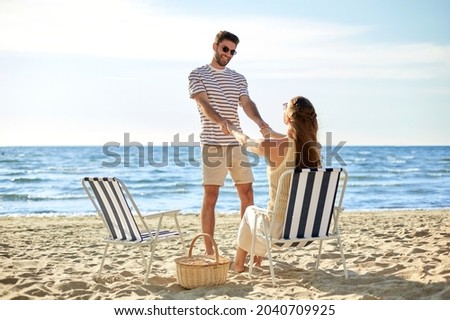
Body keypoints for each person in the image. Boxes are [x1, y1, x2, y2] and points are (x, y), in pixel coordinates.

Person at [188, 30, 269, 255]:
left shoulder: (238, 78)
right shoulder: (198, 74)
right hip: (212, 144)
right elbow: (204, 103)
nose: (229, 54)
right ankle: (209, 252)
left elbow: (246, 103)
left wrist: (260, 122)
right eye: (225, 49)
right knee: (211, 196)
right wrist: (222, 122)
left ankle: (243, 248)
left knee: (248, 194)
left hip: (237, 144)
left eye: (233, 51)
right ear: (215, 47)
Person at [229, 95, 321, 272]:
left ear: (287, 118)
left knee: (250, 212)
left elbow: (246, 142)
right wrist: (270, 131)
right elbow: (294, 140)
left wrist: (233, 130)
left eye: (285, 107)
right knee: (265, 215)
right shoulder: (313, 149)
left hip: (280, 232)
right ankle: (256, 263)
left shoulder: (270, 146)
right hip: (310, 230)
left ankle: (239, 264)